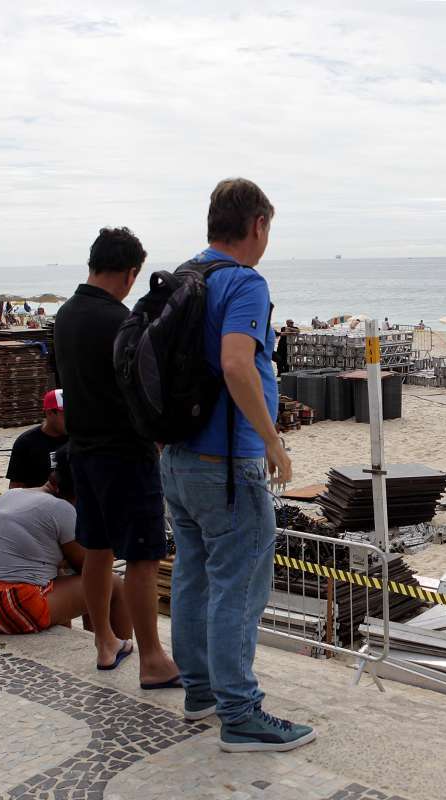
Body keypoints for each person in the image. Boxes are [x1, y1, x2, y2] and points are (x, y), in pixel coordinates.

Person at [161, 178, 315, 751]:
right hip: (227, 462)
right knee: (240, 584)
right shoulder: (244, 282)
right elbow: (235, 363)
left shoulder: (183, 276)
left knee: (193, 573)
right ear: (258, 225)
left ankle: (200, 691)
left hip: (177, 458)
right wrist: (273, 440)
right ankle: (240, 713)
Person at [55, 227, 179, 687]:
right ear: (130, 273)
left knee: (97, 550)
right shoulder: (120, 321)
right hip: (126, 452)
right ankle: (152, 659)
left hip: (82, 450)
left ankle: (105, 641)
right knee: (144, 557)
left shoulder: (65, 316)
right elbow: (142, 391)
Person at [0, 446, 133, 640]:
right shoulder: (62, 509)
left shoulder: (12, 495)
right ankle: (122, 649)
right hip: (8, 605)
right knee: (115, 584)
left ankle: (96, 640)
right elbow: (91, 569)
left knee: (57, 574)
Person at [7, 389, 69, 488]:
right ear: (50, 413)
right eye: (66, 415)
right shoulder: (26, 443)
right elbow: (16, 488)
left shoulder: (77, 438)